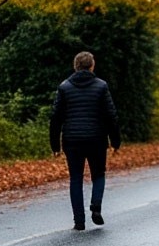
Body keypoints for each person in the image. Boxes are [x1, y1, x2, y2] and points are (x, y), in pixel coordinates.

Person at [49, 50, 121, 231]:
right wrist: (115, 141)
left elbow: (56, 118)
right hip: (96, 139)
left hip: (72, 140)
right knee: (98, 174)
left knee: (75, 178)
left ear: (76, 66)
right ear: (92, 66)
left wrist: (55, 145)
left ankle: (79, 221)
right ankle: (96, 207)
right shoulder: (101, 86)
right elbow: (111, 116)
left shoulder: (64, 87)